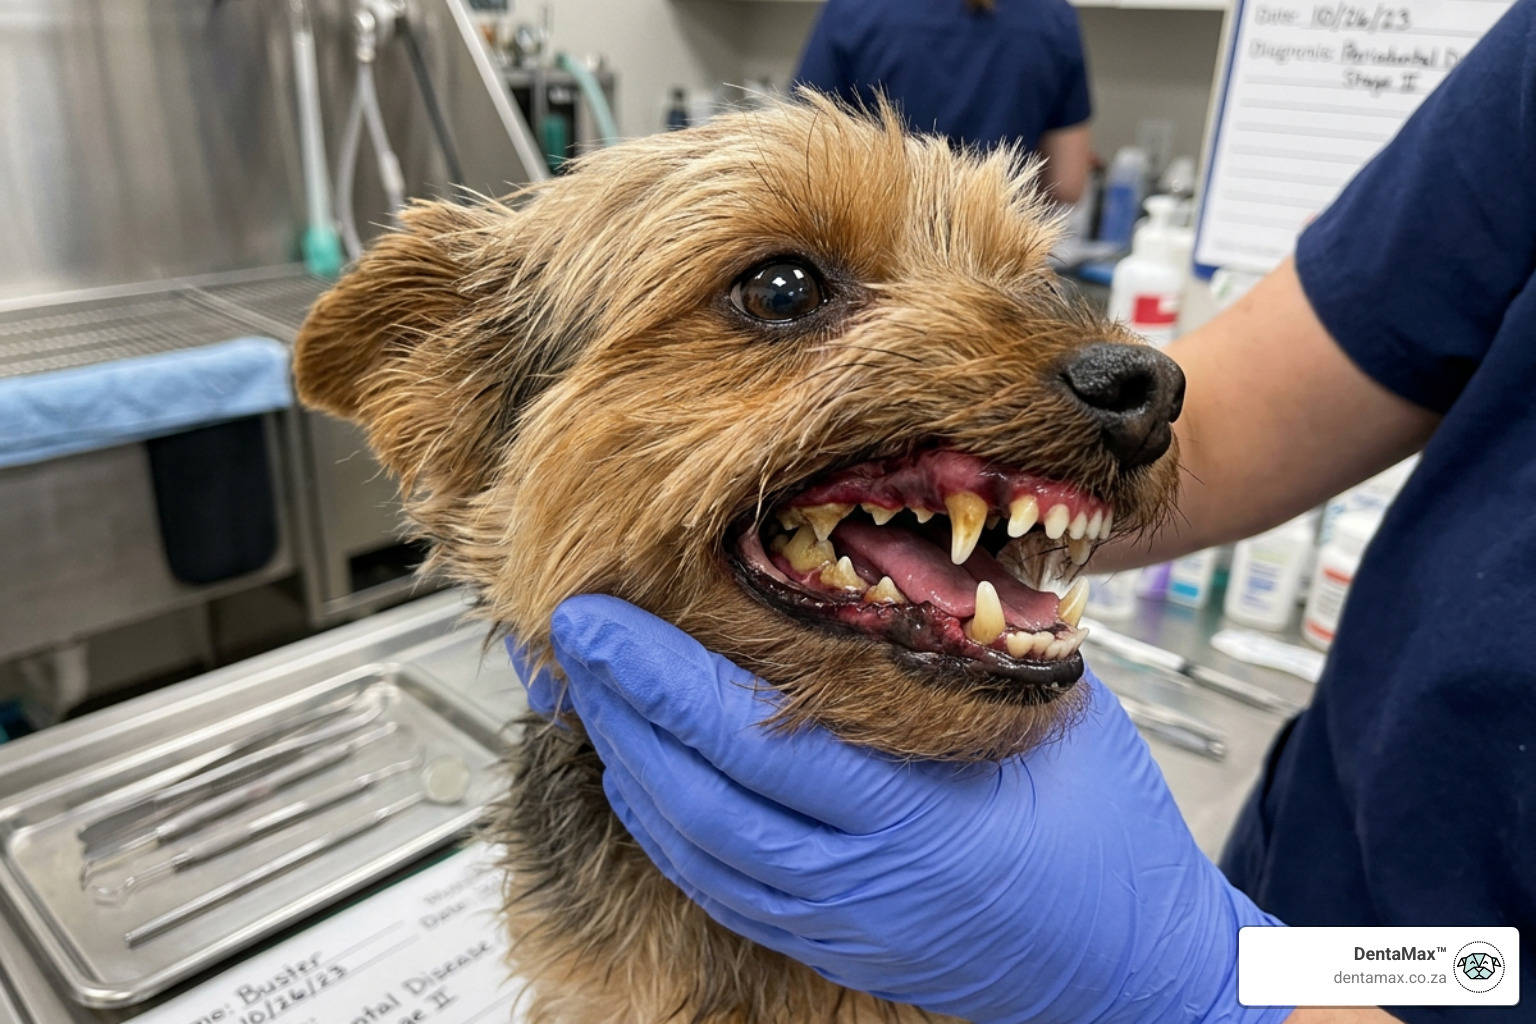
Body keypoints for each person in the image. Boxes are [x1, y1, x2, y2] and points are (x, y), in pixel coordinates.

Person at [522, 0, 1536, 1020]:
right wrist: (1239, 968)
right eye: (782, 292)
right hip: (1341, 930)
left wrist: (1196, 979)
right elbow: (1203, 423)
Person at [793, 0, 1093, 204]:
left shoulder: (855, 8)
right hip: (994, 261)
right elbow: (1067, 183)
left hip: (878, 262)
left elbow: (801, 156)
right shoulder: (1054, 16)